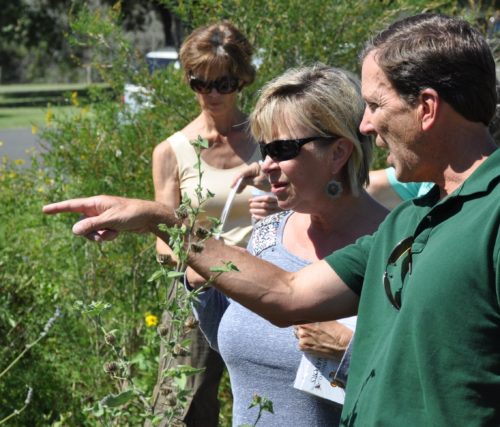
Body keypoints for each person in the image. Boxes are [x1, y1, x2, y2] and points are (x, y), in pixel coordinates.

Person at [43, 13, 500, 425]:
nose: (365, 125)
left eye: (376, 106)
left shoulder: (487, 216)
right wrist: (160, 220)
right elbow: (287, 293)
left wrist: (346, 349)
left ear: (426, 108)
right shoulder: (411, 222)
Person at [190, 64, 387, 425]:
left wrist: (349, 350)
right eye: (264, 149)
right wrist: (202, 288)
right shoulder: (268, 235)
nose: (266, 165)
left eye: (282, 149)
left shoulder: (396, 247)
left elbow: (424, 382)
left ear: (338, 153)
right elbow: (239, 343)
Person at [150, 21, 277, 426]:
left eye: (223, 83)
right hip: (198, 288)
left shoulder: (270, 139)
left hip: (267, 283)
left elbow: (312, 204)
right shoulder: (172, 150)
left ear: (242, 78)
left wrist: (278, 205)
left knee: (269, 398)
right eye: (200, 83)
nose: (212, 94)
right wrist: (198, 264)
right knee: (182, 406)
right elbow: (163, 238)